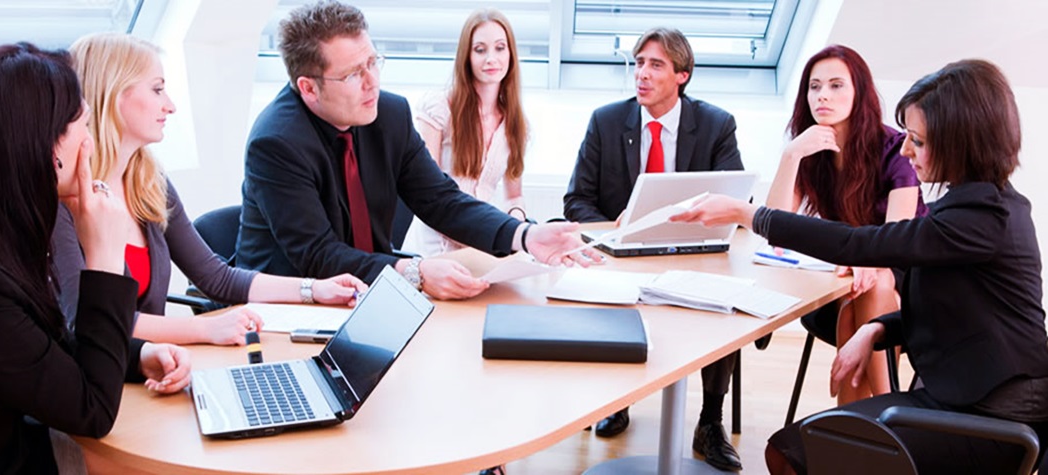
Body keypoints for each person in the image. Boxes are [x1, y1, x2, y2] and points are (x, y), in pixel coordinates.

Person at [674, 59, 1048, 474]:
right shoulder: (975, 206)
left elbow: (857, 243)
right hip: (961, 396)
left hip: (991, 417)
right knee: (792, 449)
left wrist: (747, 213)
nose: (907, 150)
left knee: (802, 452)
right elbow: (963, 312)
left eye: (919, 142)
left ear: (962, 143)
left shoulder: (982, 216)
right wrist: (877, 328)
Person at [236, 0, 593, 301]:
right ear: (308, 88)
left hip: (368, 292)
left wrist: (525, 236)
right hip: (287, 308)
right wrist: (415, 271)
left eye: (372, 63)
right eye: (352, 75)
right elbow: (318, 255)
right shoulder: (276, 143)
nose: (372, 81)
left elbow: (441, 200)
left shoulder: (388, 114)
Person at [0, 42, 190, 473]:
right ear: (43, 145)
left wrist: (138, 355)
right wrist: (104, 258)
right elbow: (91, 410)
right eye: (81, 123)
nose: (91, 140)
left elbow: (46, 349)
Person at [52, 33, 367, 347]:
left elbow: (217, 277)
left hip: (152, 369)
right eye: (157, 89)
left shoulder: (147, 181)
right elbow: (90, 318)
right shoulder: (64, 202)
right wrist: (206, 330)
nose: (170, 106)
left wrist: (313, 290)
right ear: (113, 94)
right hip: (101, 378)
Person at [562, 26, 745, 471]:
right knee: (610, 297)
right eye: (639, 62)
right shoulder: (606, 121)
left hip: (690, 251)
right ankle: (618, 402)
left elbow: (736, 199)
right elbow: (576, 200)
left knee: (726, 298)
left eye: (655, 65)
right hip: (622, 254)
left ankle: (709, 421)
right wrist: (615, 225)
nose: (641, 74)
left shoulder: (717, 124)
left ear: (682, 75)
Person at [766, 45, 927, 404]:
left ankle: (868, 415)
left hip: (911, 275)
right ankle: (885, 414)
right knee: (861, 290)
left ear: (860, 92)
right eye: (814, 86)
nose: (822, 95)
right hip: (846, 280)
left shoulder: (893, 148)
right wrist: (791, 154)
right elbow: (773, 225)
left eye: (836, 85)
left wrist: (868, 262)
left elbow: (895, 241)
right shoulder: (809, 150)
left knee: (874, 282)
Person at [401, 8, 530, 257]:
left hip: (480, 245)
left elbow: (515, 196)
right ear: (467, 57)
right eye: (480, 50)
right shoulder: (440, 108)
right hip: (432, 248)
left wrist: (517, 223)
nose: (491, 58)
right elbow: (428, 195)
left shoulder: (514, 124)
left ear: (511, 54)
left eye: (500, 48)